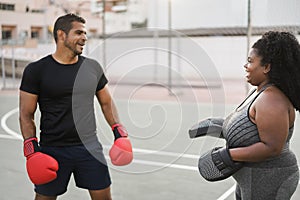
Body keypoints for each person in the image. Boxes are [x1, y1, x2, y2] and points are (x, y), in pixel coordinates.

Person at [19, 13, 133, 200]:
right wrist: (31, 151)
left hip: (89, 147)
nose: (84, 38)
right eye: (79, 33)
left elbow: (106, 102)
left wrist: (120, 133)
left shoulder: (92, 67)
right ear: (61, 35)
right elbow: (26, 114)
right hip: (52, 148)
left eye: (85, 33)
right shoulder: (36, 70)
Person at [220, 31, 300, 199]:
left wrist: (228, 155)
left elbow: (272, 148)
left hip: (268, 177)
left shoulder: (271, 100)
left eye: (250, 61)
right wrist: (218, 126)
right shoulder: (259, 92)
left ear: (266, 67)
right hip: (253, 177)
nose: (245, 65)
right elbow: (251, 127)